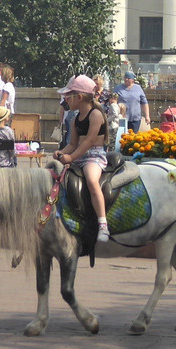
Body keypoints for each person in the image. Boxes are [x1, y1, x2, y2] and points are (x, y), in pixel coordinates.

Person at [53, 75, 110, 243]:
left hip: (94, 156)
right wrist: (61, 153)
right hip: (79, 155)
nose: (65, 99)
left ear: (78, 97)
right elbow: (72, 143)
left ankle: (103, 224)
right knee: (58, 179)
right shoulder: (75, 119)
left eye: (68, 96)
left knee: (92, 181)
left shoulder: (95, 115)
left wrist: (71, 157)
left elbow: (89, 141)